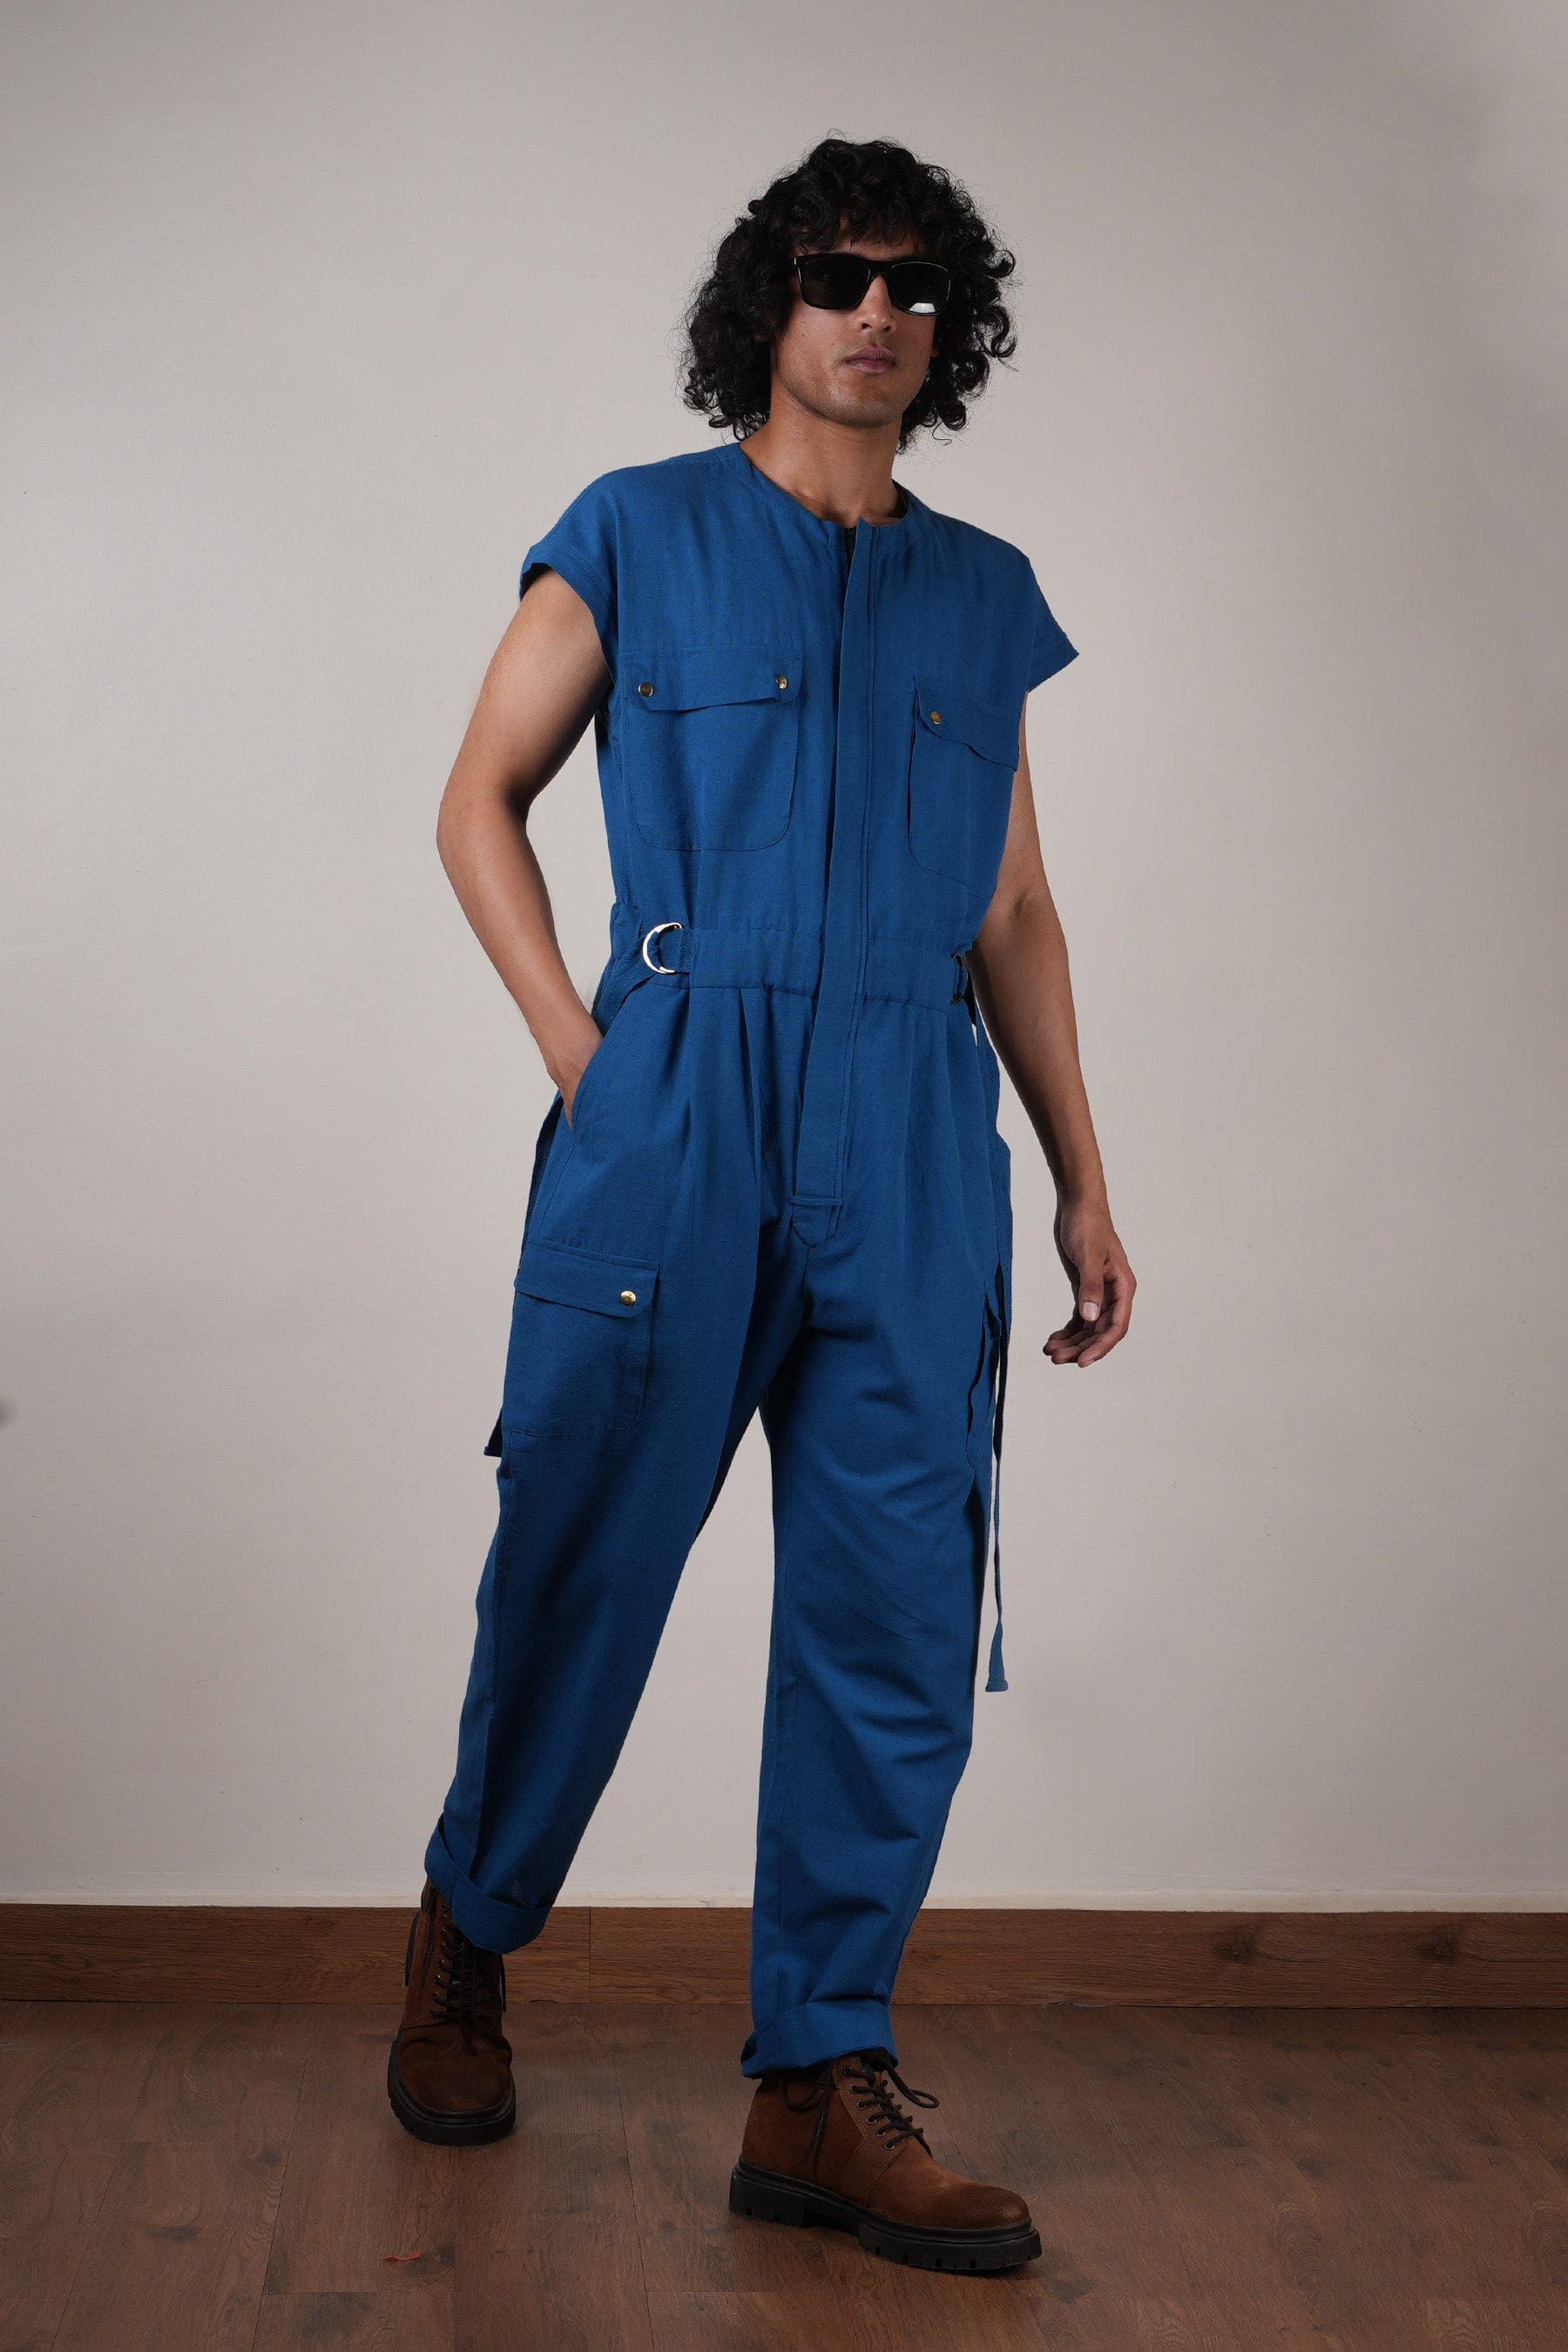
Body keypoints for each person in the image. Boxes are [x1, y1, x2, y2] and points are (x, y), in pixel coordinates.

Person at [388, 134, 1134, 2274]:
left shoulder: (983, 593)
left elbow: (1013, 906)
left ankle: (819, 2077)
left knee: (894, 1612)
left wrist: (1086, 1177)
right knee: (582, 1551)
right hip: (683, 1105)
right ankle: (467, 1935)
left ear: (948, 328)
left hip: (915, 1126)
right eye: (835, 275)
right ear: (770, 305)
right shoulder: (635, 533)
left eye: (912, 285)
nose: (874, 312)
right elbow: (477, 800)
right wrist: (587, 1056)